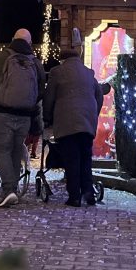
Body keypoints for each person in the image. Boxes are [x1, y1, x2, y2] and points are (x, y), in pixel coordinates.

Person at [0, 28, 45, 208]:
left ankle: (8, 190)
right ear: (29, 43)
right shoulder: (36, 63)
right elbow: (40, 92)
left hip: (1, 114)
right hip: (25, 116)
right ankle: (13, 189)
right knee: (16, 151)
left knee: (2, 150)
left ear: (13, 39)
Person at [43, 29, 104, 207]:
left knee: (72, 160)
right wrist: (93, 113)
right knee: (85, 158)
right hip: (87, 122)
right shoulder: (88, 72)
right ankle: (88, 193)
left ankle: (74, 197)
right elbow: (99, 96)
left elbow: (49, 97)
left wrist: (47, 118)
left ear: (63, 59)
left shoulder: (57, 72)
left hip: (67, 124)